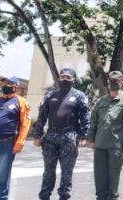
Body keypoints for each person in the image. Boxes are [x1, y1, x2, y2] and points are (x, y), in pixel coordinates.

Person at [32, 68, 91, 200]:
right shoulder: (50, 96)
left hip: (69, 137)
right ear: (59, 79)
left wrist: (83, 136)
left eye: (68, 77)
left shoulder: (80, 96)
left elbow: (85, 118)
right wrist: (37, 135)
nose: (65, 79)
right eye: (63, 77)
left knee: (66, 172)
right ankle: (44, 196)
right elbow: (42, 116)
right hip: (51, 137)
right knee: (48, 171)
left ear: (73, 80)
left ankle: (64, 196)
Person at [85, 71, 123, 200]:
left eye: (116, 81)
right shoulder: (101, 101)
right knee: (100, 176)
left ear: (121, 83)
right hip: (100, 144)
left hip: (116, 145)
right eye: (111, 81)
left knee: (113, 177)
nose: (113, 83)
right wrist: (90, 139)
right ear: (108, 82)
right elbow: (93, 121)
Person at [0, 76, 31, 200]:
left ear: (15, 87)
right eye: (3, 83)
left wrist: (20, 143)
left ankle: (0, 197)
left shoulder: (21, 102)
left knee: (2, 174)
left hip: (6, 144)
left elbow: (25, 124)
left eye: (8, 84)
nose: (4, 86)